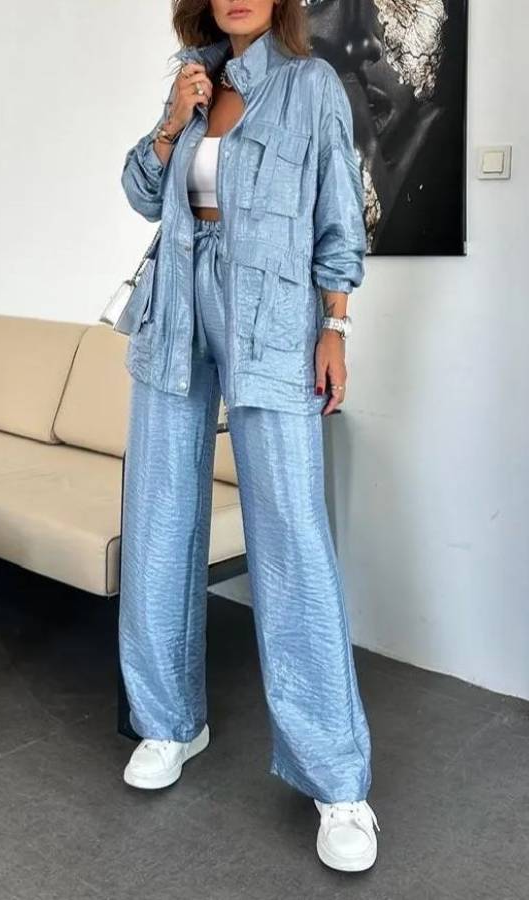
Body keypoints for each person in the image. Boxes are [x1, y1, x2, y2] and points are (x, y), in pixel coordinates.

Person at [118, 0, 380, 873]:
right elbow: (143, 195)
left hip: (272, 318)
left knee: (291, 535)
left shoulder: (311, 86)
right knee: (159, 519)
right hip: (174, 311)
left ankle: (337, 781)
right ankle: (168, 722)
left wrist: (334, 325)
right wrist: (172, 123)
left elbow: (338, 213)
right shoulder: (193, 82)